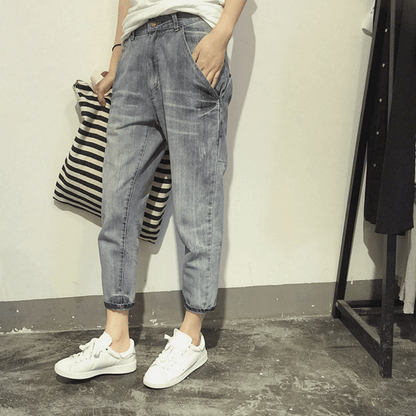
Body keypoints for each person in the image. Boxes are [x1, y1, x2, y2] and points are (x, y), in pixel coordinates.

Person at [54, 0, 246, 389]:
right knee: (118, 204)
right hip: (136, 45)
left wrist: (222, 33)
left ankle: (192, 337)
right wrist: (118, 53)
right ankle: (117, 342)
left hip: (192, 36)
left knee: (198, 202)